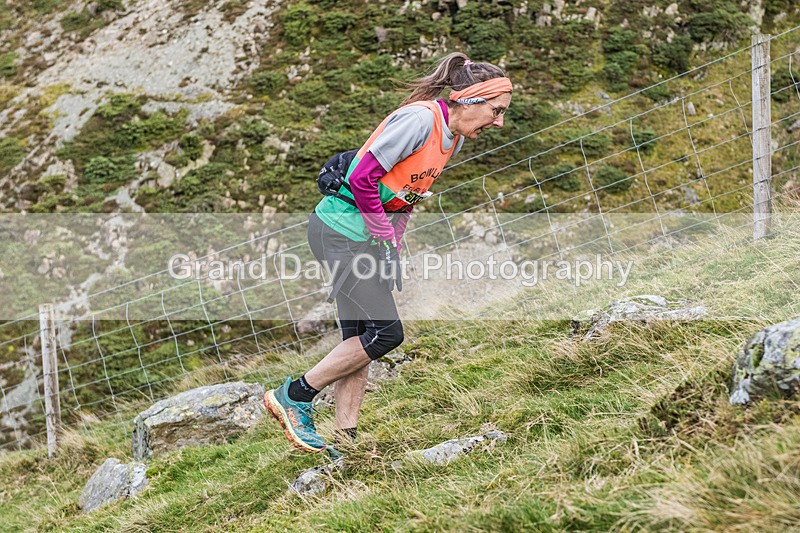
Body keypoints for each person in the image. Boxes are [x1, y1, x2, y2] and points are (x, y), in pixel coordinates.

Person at [263, 52, 512, 454]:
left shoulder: (453, 138)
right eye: (495, 111)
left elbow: (406, 193)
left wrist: (392, 242)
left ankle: (346, 443)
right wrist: (381, 232)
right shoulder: (420, 120)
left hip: (363, 239)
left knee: (358, 339)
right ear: (468, 99)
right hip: (338, 232)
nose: (499, 122)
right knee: (386, 334)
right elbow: (362, 177)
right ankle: (295, 395)